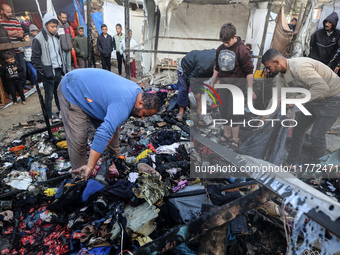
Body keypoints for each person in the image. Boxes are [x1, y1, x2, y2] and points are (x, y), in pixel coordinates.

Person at [57, 68, 161, 180]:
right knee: (79, 139)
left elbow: (111, 127)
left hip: (91, 93)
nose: (143, 118)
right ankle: (80, 176)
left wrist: (104, 147)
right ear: (141, 103)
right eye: (144, 114)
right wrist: (91, 166)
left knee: (111, 126)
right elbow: (103, 133)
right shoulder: (124, 103)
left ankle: (116, 158)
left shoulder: (136, 92)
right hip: (72, 88)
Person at [261, 48, 340, 166]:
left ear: (277, 62)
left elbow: (322, 88)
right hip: (314, 97)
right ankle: (291, 162)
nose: (267, 71)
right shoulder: (281, 76)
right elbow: (276, 97)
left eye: (268, 67)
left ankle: (320, 171)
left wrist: (297, 100)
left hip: (332, 98)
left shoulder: (299, 68)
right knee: (298, 129)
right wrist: (263, 119)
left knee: (316, 136)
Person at [209, 23, 255, 150]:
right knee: (223, 111)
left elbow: (249, 72)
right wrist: (212, 83)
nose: (225, 44)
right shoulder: (220, 49)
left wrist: (250, 90)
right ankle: (226, 135)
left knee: (234, 113)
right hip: (223, 86)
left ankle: (235, 139)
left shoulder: (242, 51)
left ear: (235, 36)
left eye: (227, 42)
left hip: (237, 87)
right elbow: (217, 67)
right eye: (223, 42)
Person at [32, 13, 66, 123]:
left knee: (59, 94)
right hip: (48, 72)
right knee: (48, 96)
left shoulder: (56, 37)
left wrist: (62, 68)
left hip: (58, 70)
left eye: (56, 26)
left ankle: (61, 112)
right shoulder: (38, 39)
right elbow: (35, 59)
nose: (54, 29)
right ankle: (49, 118)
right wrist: (45, 72)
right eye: (52, 26)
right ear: (45, 25)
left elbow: (59, 54)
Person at [175, 49, 216, 121]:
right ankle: (181, 112)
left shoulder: (222, 58)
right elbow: (191, 79)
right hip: (185, 67)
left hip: (196, 68)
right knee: (184, 89)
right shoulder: (204, 68)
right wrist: (196, 92)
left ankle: (199, 112)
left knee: (201, 91)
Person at [1, 4, 26, 90]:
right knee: (9, 73)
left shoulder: (15, 20)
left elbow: (21, 34)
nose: (10, 14)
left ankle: (22, 86)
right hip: (7, 52)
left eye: (10, 12)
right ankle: (13, 90)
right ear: (1, 11)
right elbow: (2, 35)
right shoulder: (0, 22)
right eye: (7, 12)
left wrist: (8, 33)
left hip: (19, 49)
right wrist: (14, 32)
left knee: (22, 69)